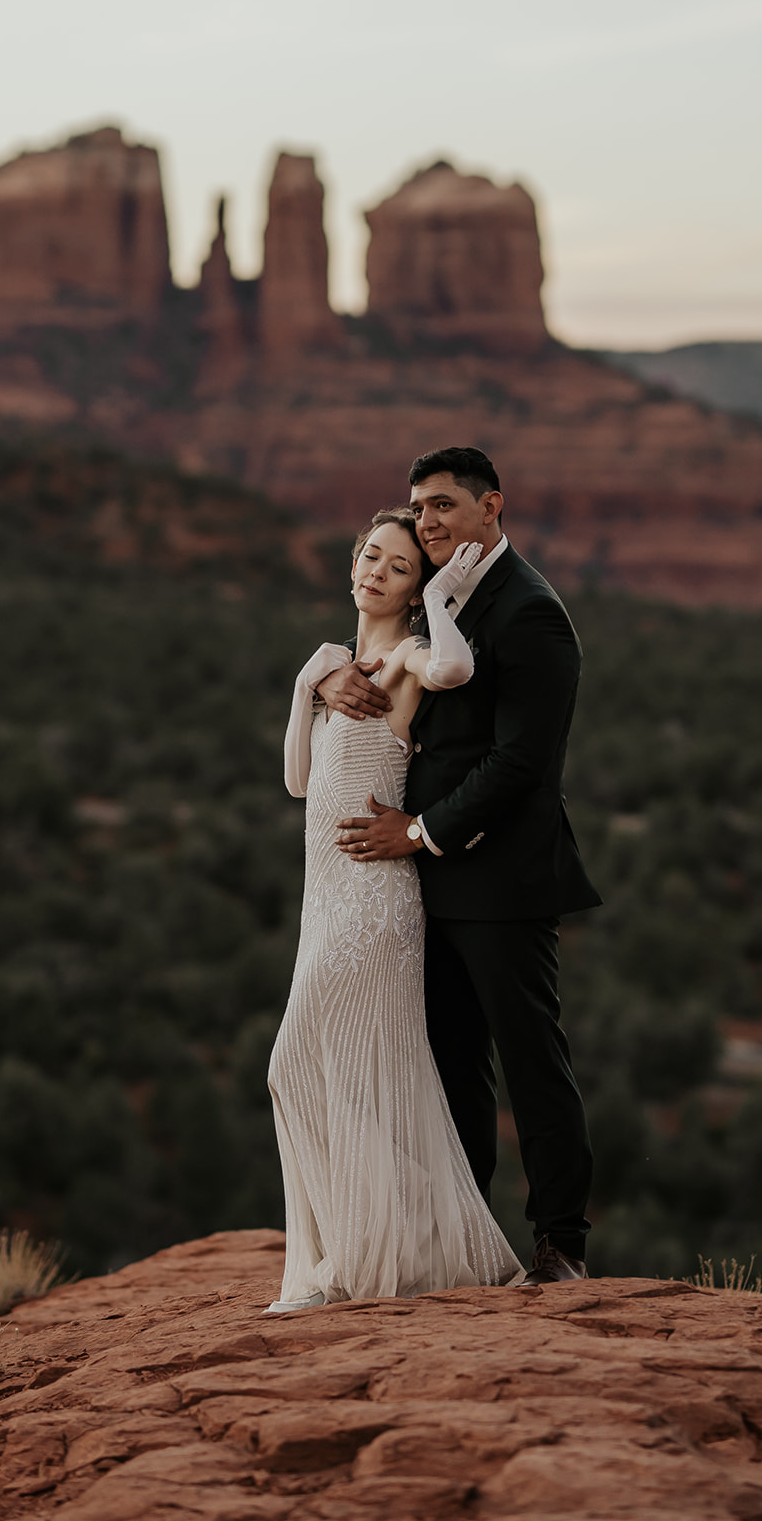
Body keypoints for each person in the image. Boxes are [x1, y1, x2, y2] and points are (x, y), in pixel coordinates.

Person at [320, 447, 601, 1286]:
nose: (430, 520)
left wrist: (419, 833)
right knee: (448, 1062)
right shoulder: (438, 600)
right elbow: (374, 659)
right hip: (423, 880)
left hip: (501, 876)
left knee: (528, 1059)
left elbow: (522, 764)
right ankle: (464, 1238)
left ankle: (561, 1242)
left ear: (492, 507)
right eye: (418, 507)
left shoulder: (530, 613)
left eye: (444, 505)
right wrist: (328, 684)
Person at [267, 509, 521, 1310]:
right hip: (325, 898)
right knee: (342, 1072)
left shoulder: (407, 655)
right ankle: (372, 1251)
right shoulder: (338, 665)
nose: (378, 570)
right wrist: (307, 677)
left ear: (412, 590)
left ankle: (353, 1261)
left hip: (375, 901)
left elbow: (453, 671)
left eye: (399, 567)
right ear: (352, 564)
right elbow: (297, 781)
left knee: (300, 1064)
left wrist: (442, 603)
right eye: (370, 556)